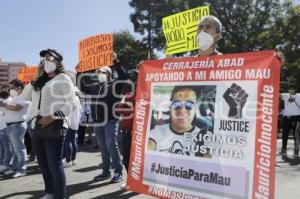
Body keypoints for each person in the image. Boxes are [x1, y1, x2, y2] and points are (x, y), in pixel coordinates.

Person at [21, 49, 75, 199]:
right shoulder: (39, 81)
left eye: (50, 58)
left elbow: (71, 103)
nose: (46, 61)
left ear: (58, 61)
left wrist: (52, 117)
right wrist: (36, 77)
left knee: (54, 165)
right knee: (43, 165)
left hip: (54, 126)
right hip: (36, 127)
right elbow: (25, 97)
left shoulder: (63, 78)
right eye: (44, 59)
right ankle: (50, 192)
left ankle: (60, 196)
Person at [78, 53, 127, 183]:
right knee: (103, 147)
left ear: (109, 74)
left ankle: (118, 172)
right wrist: (79, 71)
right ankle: (106, 172)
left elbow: (123, 75)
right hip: (98, 122)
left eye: (103, 72)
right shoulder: (94, 87)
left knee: (111, 146)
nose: (99, 73)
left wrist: (116, 61)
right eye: (98, 71)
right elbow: (81, 86)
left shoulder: (114, 85)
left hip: (111, 120)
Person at [148, 86, 208, 156]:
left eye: (189, 105)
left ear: (195, 109)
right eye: (176, 104)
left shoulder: (206, 137)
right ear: (170, 108)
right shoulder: (157, 131)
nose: (182, 110)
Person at [0, 79, 30, 178]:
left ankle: (22, 170)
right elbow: (10, 109)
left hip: (17, 125)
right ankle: (14, 168)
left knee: (19, 150)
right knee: (14, 150)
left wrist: (3, 104)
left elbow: (17, 108)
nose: (10, 90)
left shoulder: (23, 96)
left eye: (12, 88)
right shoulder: (15, 97)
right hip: (11, 126)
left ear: (19, 87)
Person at [115, 69, 138, 189]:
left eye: (130, 78)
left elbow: (131, 112)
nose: (127, 80)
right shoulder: (128, 94)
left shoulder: (141, 93)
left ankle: (138, 183)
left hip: (137, 132)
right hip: (125, 131)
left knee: (137, 160)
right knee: (127, 158)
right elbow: (118, 110)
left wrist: (124, 107)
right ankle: (131, 181)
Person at [63, 87, 83, 168]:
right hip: (75, 122)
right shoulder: (77, 99)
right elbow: (81, 111)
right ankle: (73, 159)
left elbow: (67, 112)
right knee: (73, 141)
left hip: (69, 123)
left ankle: (68, 161)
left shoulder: (70, 99)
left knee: (67, 142)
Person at [280, 89, 300, 156]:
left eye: (293, 89)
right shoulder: (285, 95)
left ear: (295, 90)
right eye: (290, 89)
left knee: (296, 135)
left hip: (296, 117)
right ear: (288, 90)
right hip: (286, 117)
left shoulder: (299, 95)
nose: (291, 91)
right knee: (284, 134)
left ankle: (296, 150)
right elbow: (276, 95)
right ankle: (283, 150)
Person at [0, 85, 13, 173]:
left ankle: (7, 165)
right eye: (2, 90)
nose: (3, 91)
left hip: (6, 127)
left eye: (5, 90)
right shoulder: (2, 101)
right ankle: (2, 164)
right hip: (1, 127)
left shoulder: (11, 101)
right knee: (2, 148)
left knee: (7, 147)